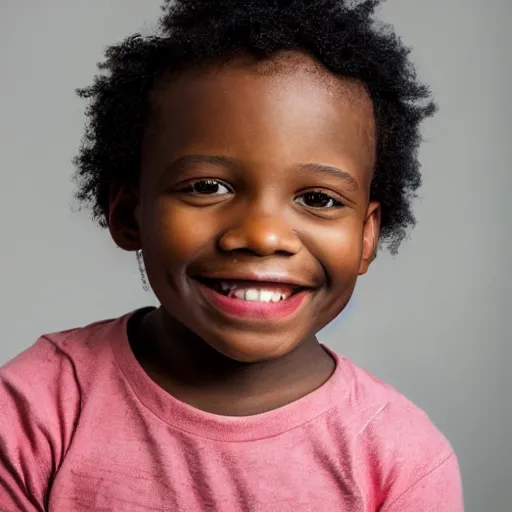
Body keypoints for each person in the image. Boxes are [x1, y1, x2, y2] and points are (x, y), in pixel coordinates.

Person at [0, 0, 464, 510]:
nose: (263, 236)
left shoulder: (403, 461)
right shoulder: (35, 410)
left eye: (318, 199)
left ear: (366, 236)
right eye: (207, 187)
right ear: (129, 214)